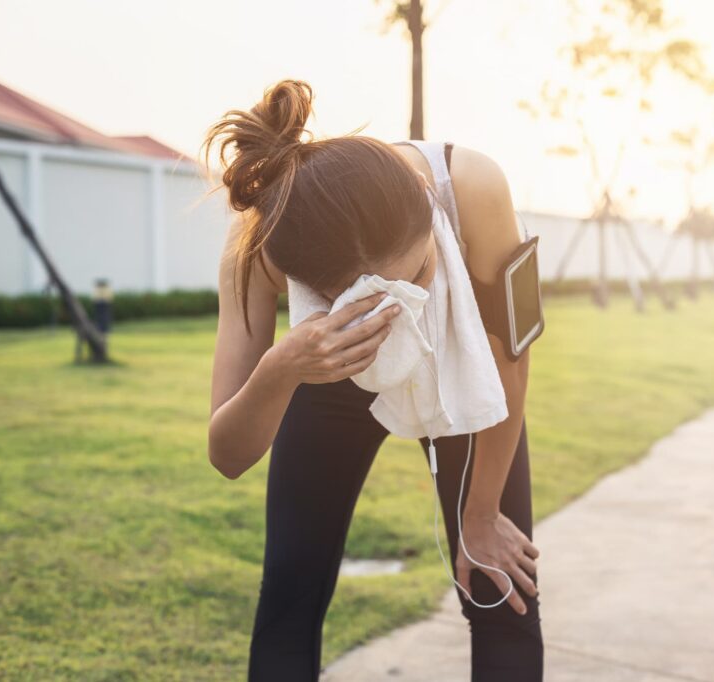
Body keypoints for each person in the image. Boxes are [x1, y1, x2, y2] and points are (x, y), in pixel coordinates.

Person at [203, 79, 543, 681]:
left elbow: (510, 357)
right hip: (326, 368)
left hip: (456, 365)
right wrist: (281, 369)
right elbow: (226, 455)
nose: (397, 311)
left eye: (417, 274)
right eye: (363, 300)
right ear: (308, 289)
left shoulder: (472, 185)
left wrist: (483, 512)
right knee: (291, 592)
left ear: (424, 198)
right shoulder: (259, 244)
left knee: (500, 587)